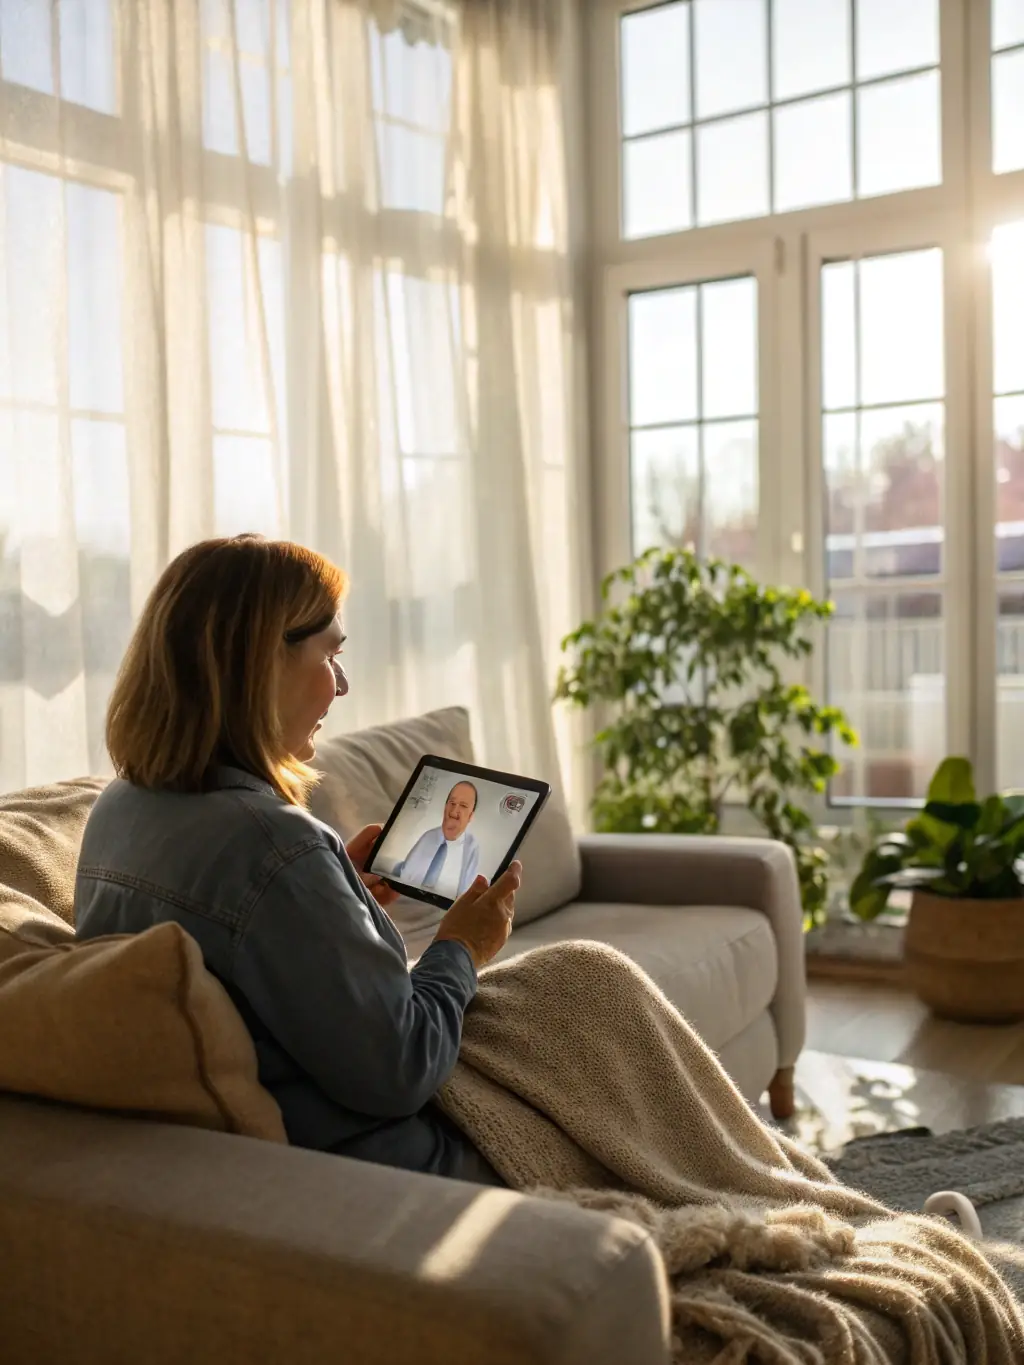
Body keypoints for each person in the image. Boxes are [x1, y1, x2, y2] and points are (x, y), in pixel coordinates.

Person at [74, 535, 517, 1187]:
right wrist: (460, 947)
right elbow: (402, 1069)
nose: (342, 683)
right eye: (330, 653)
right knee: (586, 983)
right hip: (373, 1166)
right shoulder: (278, 849)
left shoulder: (118, 807)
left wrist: (338, 893)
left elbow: (246, 942)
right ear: (259, 663)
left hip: (241, 1151)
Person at [392, 781, 480, 898]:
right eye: (452, 803)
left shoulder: (472, 848)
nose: (453, 811)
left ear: (470, 816)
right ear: (445, 806)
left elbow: (469, 896)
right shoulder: (428, 837)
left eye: (463, 806)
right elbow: (402, 873)